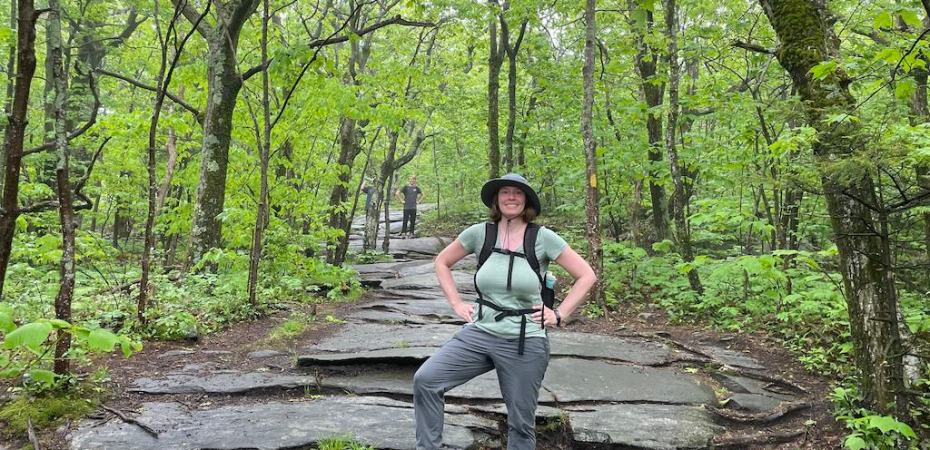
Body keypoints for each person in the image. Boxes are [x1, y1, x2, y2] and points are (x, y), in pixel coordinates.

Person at [413, 173, 597, 450]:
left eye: (518, 193)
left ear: (527, 201)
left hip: (525, 340)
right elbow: (442, 262)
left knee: (521, 423)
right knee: (426, 380)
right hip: (480, 332)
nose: (511, 197)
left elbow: (587, 275)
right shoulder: (480, 233)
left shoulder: (542, 238)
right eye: (505, 192)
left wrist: (559, 314)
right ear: (496, 200)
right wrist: (457, 304)